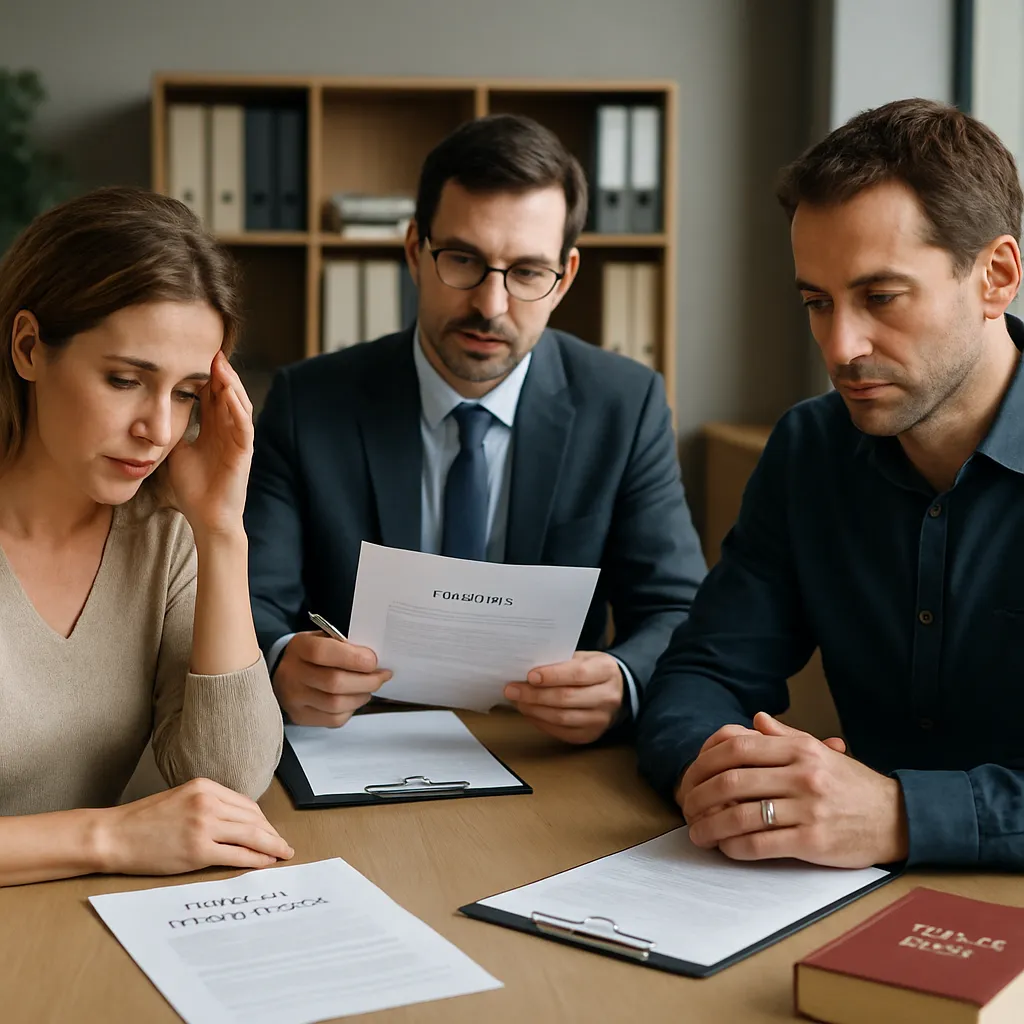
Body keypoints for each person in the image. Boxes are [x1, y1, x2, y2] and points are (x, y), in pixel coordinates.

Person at [636, 98, 1024, 871]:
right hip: (843, 900)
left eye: (880, 297)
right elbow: (703, 674)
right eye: (818, 302)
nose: (840, 346)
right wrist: (723, 777)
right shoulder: (810, 448)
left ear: (996, 277)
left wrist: (901, 814)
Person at [245, 114, 706, 744]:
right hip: (358, 740)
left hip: (545, 750)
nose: (490, 306)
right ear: (415, 251)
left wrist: (624, 678)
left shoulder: (625, 405)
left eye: (525, 273)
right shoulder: (308, 403)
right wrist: (278, 660)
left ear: (564, 278)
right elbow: (253, 600)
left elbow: (678, 609)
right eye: (463, 260)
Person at [0, 186, 291, 886]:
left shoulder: (164, 534)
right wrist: (106, 836)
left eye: (188, 393)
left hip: (86, 939)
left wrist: (221, 530)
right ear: (31, 347)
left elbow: (228, 780)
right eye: (127, 379)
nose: (158, 430)